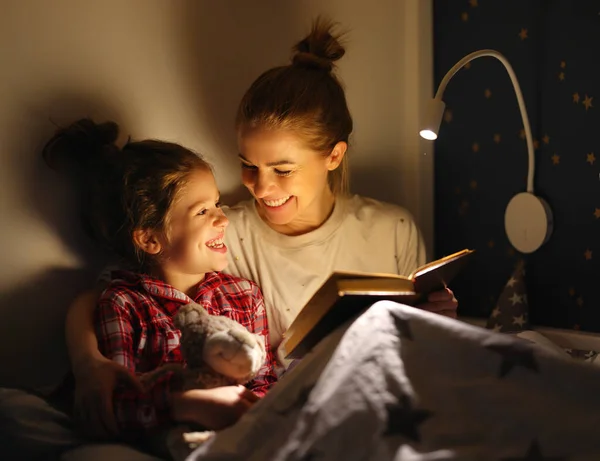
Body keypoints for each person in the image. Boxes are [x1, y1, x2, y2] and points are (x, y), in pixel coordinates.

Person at [62, 17, 457, 439]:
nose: (261, 186)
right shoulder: (225, 233)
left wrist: (436, 321)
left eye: (282, 169)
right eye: (247, 165)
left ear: (334, 156)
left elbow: (418, 354)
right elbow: (111, 292)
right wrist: (89, 363)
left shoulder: (393, 228)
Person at [0, 119, 277, 459]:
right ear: (150, 239)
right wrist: (189, 406)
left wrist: (260, 409)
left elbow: (264, 378)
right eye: (203, 211)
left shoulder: (243, 295)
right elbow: (119, 402)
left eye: (217, 204)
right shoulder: (124, 303)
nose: (223, 219)